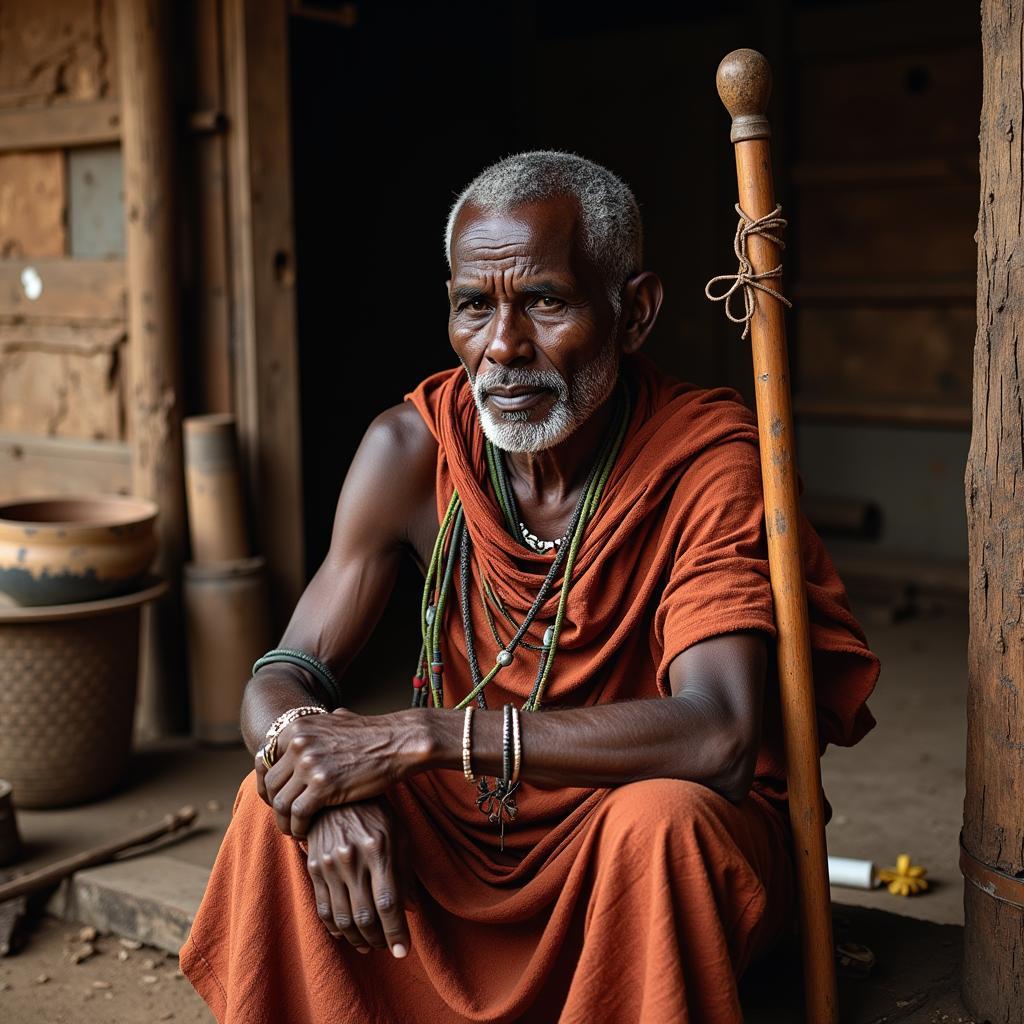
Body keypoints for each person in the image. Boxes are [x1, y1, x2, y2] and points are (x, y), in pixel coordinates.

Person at [182, 151, 879, 1023]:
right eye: (475, 307)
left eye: (544, 302)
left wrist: (427, 737)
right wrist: (314, 776)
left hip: (631, 839)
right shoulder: (412, 450)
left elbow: (718, 734)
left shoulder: (708, 463)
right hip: (471, 835)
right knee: (272, 799)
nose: (503, 349)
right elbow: (284, 670)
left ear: (635, 313)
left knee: (658, 824)